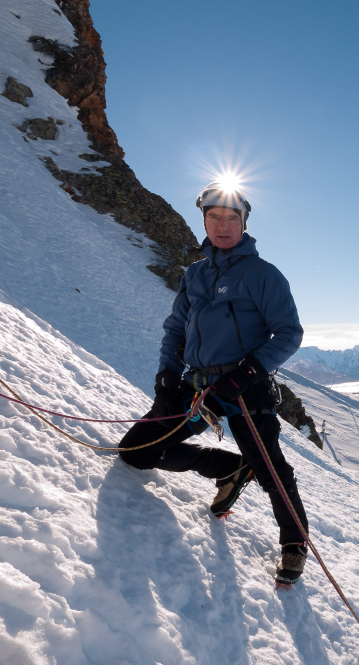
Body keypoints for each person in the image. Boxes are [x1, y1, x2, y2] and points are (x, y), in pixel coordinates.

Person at [118, 182, 310, 585]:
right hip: (198, 386)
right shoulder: (196, 274)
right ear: (203, 220)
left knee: (272, 467)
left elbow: (288, 333)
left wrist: (246, 373)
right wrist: (167, 373)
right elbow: (176, 327)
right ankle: (230, 467)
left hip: (244, 387)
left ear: (244, 223)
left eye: (231, 218)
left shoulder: (263, 275)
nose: (222, 225)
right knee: (137, 450)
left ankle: (294, 545)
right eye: (214, 217)